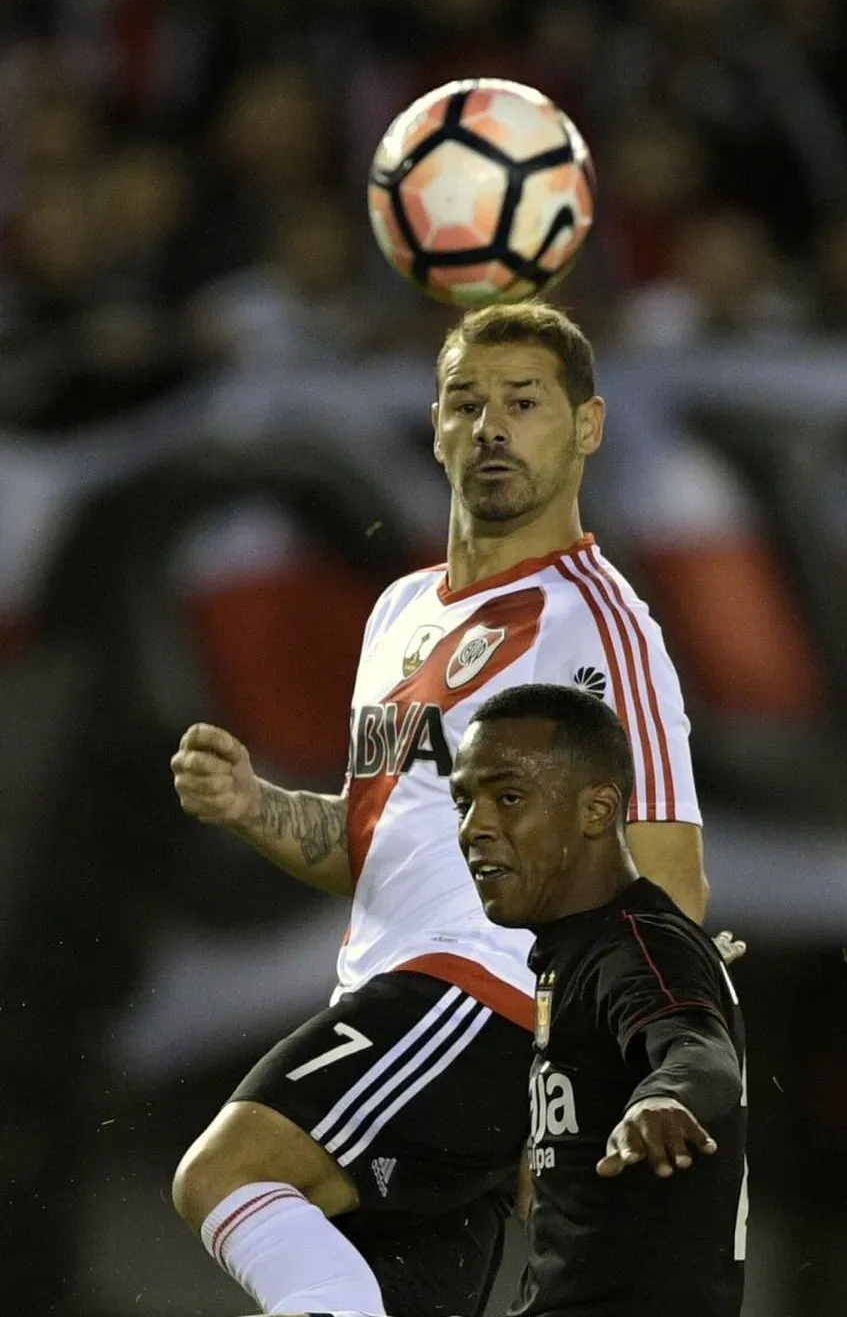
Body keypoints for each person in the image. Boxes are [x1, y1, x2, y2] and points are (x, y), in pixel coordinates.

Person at [170, 302, 733, 1317]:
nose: (492, 428)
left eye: (524, 402)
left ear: (588, 426)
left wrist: (589, 1084)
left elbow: (670, 874)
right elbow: (366, 843)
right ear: (433, 425)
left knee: (227, 1175)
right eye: (467, 403)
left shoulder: (595, 620)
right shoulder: (400, 612)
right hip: (396, 1002)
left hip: (482, 996)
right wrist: (256, 806)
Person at [450, 682, 748, 1317]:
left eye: (507, 797)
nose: (474, 828)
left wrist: (666, 1096)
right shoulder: (583, 951)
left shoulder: (636, 944)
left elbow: (699, 1049)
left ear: (596, 810)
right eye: (463, 802)